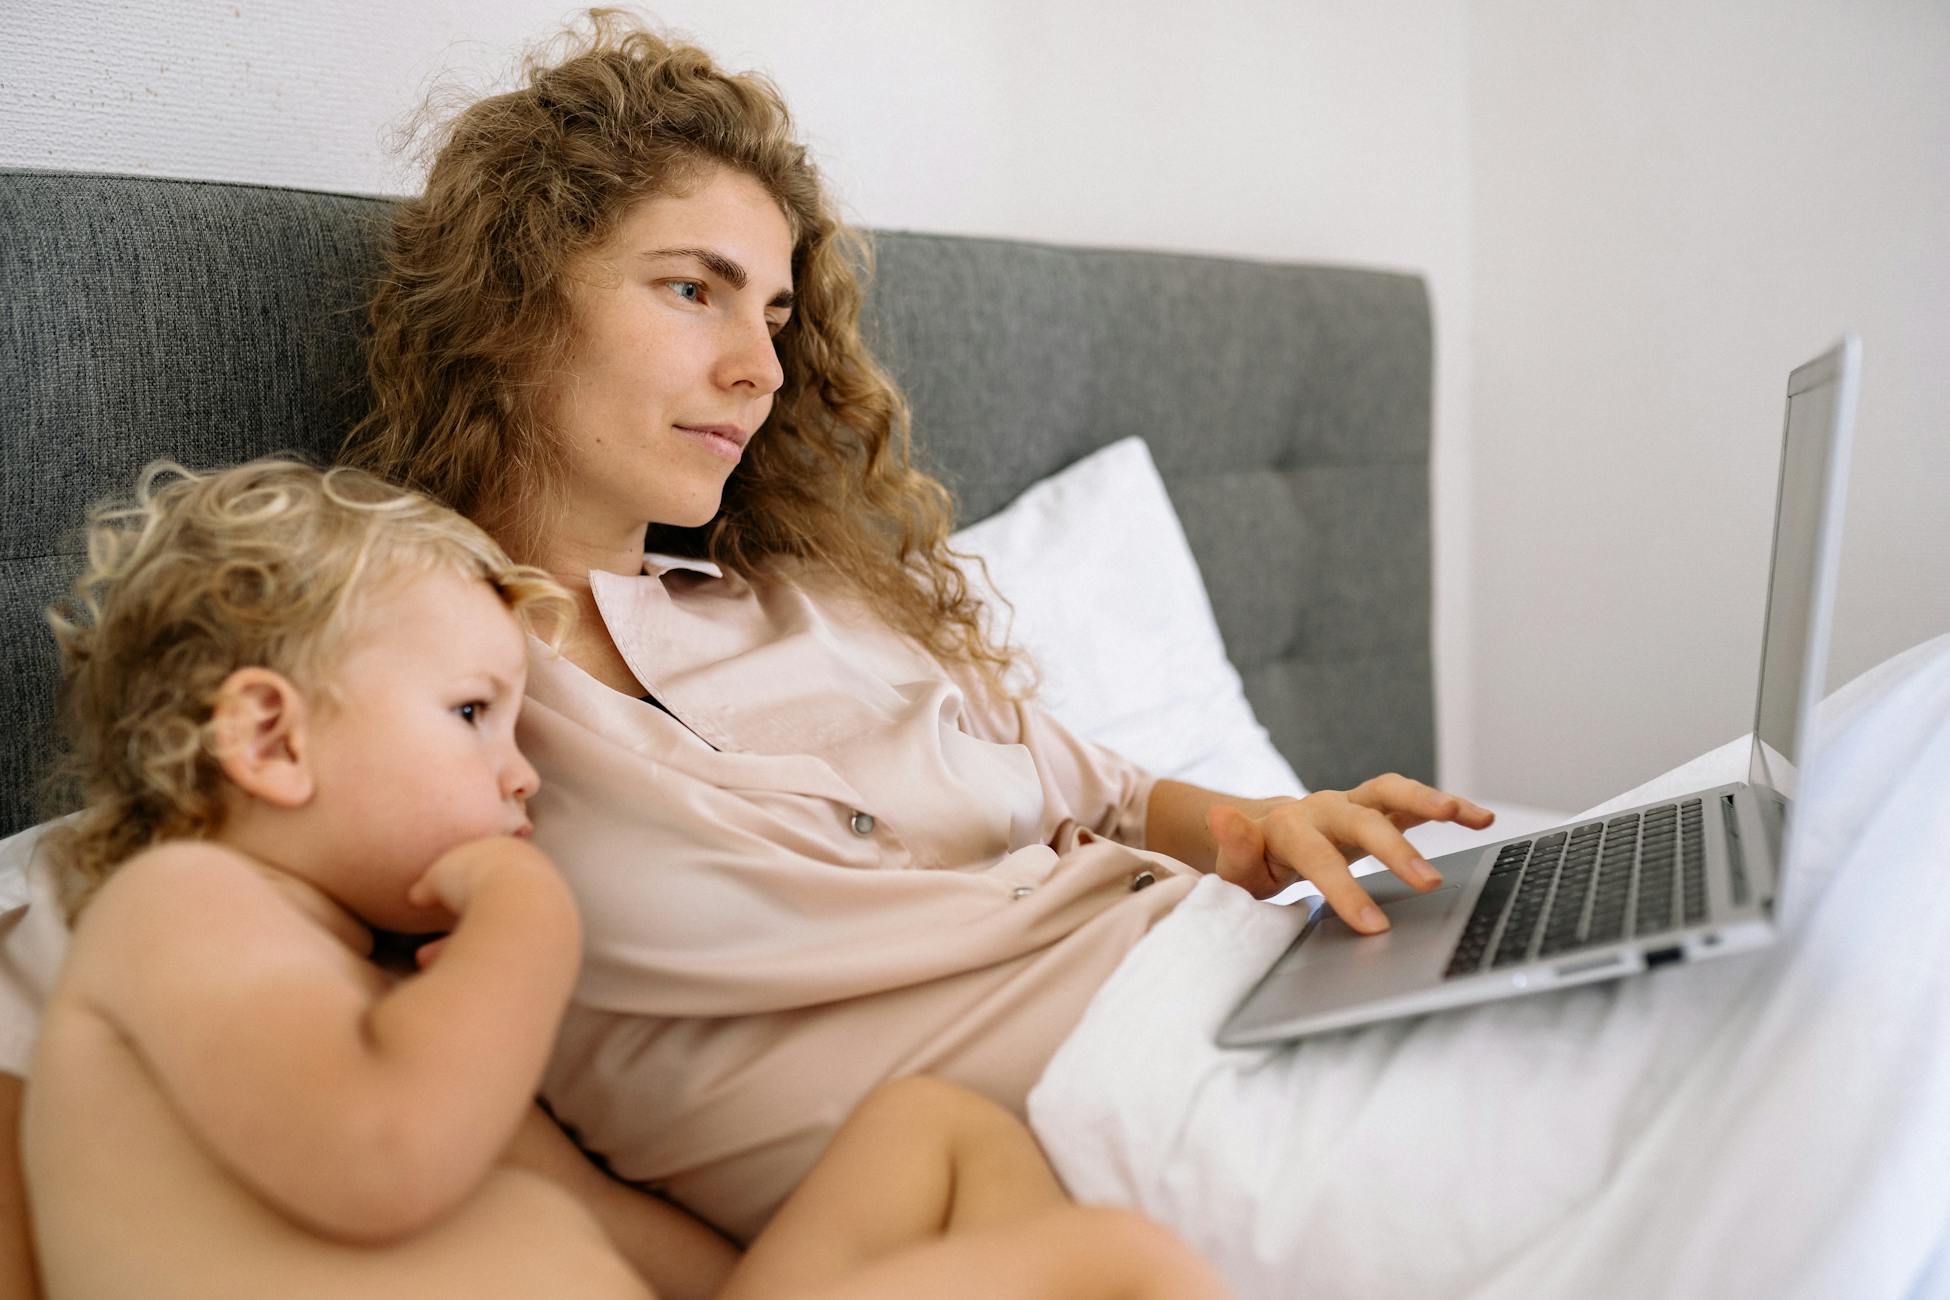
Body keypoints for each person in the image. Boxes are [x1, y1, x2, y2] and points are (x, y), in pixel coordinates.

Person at [0, 11, 1491, 1288]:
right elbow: (124, 942)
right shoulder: (400, 680)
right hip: (1125, 1079)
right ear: (513, 306)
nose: (761, 367)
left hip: (1223, 956)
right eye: (691, 287)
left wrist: (1251, 823)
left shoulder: (806, 601)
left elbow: (1084, 778)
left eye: (776, 313)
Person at [19, 458, 1231, 1300]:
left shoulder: (387, 993)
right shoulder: (175, 909)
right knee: (1122, 1267)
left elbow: (608, 1228)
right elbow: (392, 1153)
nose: (521, 775)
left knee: (936, 1130)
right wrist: (525, 912)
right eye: (473, 714)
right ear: (272, 742)